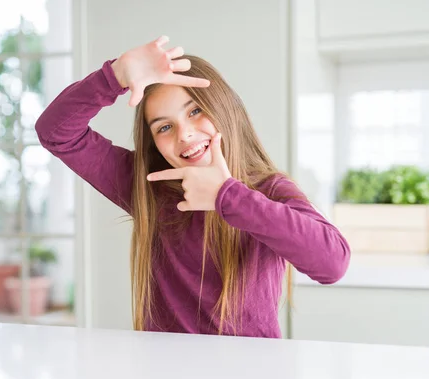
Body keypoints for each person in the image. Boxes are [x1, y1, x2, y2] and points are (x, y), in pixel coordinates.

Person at [35, 36, 350, 338]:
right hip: (165, 377)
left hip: (252, 377)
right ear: (155, 143)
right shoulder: (149, 188)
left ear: (224, 108)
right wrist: (114, 76)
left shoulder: (268, 190)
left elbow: (332, 263)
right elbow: (56, 132)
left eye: (195, 111)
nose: (184, 135)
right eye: (165, 127)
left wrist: (228, 196)